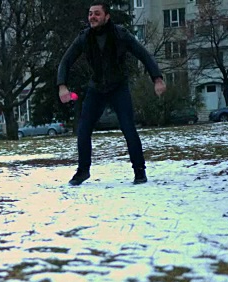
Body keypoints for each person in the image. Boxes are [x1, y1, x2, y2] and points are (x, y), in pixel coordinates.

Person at [57, 0, 166, 185]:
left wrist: (157, 78)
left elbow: (143, 55)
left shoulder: (121, 35)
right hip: (96, 88)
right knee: (83, 130)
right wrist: (62, 86)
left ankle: (139, 171)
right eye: (90, 13)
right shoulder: (84, 37)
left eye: (97, 13)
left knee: (128, 128)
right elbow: (65, 61)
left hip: (118, 87)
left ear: (107, 16)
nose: (92, 17)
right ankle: (83, 171)